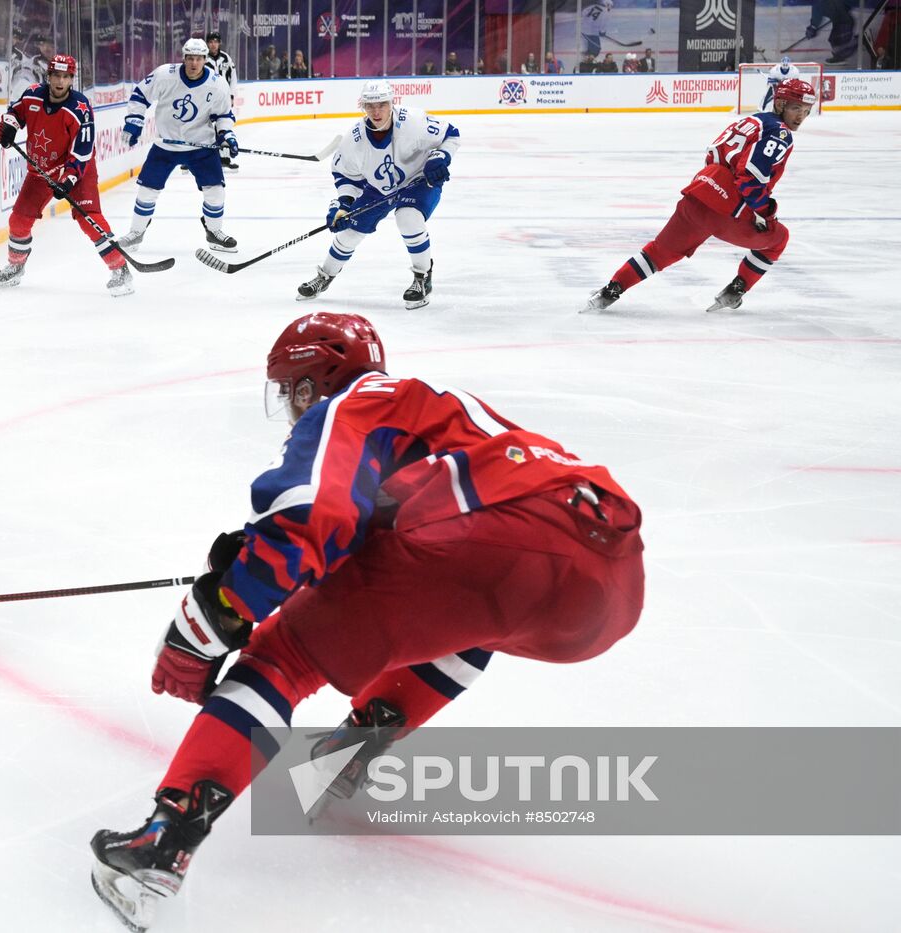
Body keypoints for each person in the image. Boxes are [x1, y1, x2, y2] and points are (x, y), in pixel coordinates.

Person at [89, 312, 645, 932]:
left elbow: (310, 513)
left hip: (499, 541)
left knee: (283, 656)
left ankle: (164, 843)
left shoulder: (354, 402)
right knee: (466, 618)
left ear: (312, 381)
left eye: (291, 389)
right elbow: (401, 530)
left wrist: (208, 624)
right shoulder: (437, 412)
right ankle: (345, 757)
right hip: (612, 581)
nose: (292, 406)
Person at [584, 78, 815, 314]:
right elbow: (751, 178)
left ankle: (610, 291)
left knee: (659, 252)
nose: (800, 116)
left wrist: (713, 187)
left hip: (698, 193)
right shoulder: (780, 134)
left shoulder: (750, 121)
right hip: (728, 210)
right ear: (780, 104)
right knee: (778, 239)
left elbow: (713, 155)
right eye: (796, 108)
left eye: (806, 111)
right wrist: (765, 214)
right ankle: (735, 290)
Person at [295, 80, 460, 310]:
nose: (376, 111)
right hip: (380, 187)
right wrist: (342, 204)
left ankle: (422, 278)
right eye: (370, 105)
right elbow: (346, 177)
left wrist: (441, 157)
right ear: (362, 106)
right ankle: (325, 276)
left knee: (407, 217)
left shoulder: (413, 122)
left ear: (392, 103)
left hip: (419, 179)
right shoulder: (354, 140)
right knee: (350, 230)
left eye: (381, 104)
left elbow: (451, 134)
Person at [0, 54, 132, 297]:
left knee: (91, 220)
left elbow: (83, 151)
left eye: (66, 77)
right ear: (49, 76)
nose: (60, 81)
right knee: (18, 221)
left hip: (77, 169)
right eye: (56, 75)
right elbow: (15, 112)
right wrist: (8, 127)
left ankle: (120, 269)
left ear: (71, 80)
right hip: (41, 170)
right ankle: (15, 266)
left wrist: (68, 180)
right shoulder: (33, 94)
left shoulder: (80, 108)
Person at [117, 37, 239, 252]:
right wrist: (134, 121)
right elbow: (139, 95)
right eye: (190, 58)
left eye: (199, 59)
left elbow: (224, 115)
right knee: (147, 189)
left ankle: (214, 232)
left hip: (201, 146)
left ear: (205, 60)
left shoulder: (217, 83)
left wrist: (226, 135)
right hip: (166, 146)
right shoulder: (165, 74)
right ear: (183, 58)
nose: (194, 63)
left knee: (215, 190)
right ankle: (136, 233)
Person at [205, 31, 239, 171]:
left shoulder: (226, 58)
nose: (213, 44)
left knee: (223, 127)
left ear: (219, 43)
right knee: (202, 128)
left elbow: (234, 78)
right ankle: (197, 158)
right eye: (211, 42)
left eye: (215, 41)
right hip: (206, 98)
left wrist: (231, 95)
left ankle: (224, 158)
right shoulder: (202, 58)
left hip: (223, 98)